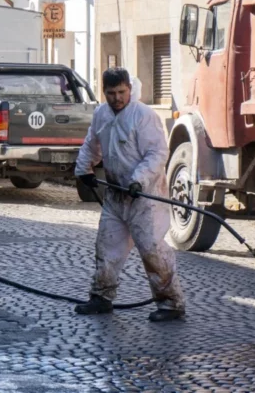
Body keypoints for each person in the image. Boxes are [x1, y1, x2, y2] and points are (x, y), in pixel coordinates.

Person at [73, 67, 185, 322]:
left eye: (121, 92)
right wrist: (84, 169)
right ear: (104, 92)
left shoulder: (143, 116)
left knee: (152, 249)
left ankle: (171, 303)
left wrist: (139, 180)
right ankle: (101, 296)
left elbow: (157, 153)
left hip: (144, 197)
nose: (117, 98)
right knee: (107, 246)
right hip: (115, 195)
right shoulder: (101, 114)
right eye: (111, 93)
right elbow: (92, 143)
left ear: (129, 89)